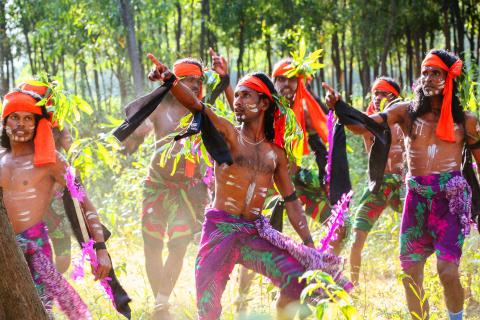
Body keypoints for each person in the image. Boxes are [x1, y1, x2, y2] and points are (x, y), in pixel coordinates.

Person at [146, 53, 352, 320]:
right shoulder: (228, 134)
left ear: (264, 103)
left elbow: (292, 203)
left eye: (246, 96)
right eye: (238, 96)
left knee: (301, 279)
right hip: (219, 231)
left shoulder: (275, 155)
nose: (238, 102)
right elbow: (197, 105)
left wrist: (310, 248)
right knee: (208, 311)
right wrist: (171, 81)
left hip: (254, 233)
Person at [324, 49, 479, 320]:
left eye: (436, 73)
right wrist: (340, 107)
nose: (428, 78)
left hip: (450, 201)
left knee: (447, 270)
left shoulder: (466, 121)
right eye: (425, 73)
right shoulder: (404, 112)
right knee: (409, 273)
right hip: (416, 200)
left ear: (449, 79)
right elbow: (366, 126)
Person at [122, 51, 233, 318]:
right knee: (152, 245)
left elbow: (232, 122)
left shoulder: (203, 110)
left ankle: (162, 301)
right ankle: (160, 303)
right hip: (157, 185)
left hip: (188, 189)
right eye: (187, 80)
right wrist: (132, 137)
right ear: (174, 81)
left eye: (197, 81)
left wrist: (225, 79)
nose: (194, 85)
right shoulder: (160, 107)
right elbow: (135, 136)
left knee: (179, 244)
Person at [0, 82, 111, 318]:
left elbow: (84, 203)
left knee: (38, 311)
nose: (21, 124)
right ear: (4, 121)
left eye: (29, 118)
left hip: (35, 248)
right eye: (14, 117)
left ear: (38, 123)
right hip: (3, 247)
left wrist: (100, 249)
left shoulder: (51, 161)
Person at [348, 77, 405, 285]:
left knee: (423, 235)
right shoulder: (368, 123)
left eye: (384, 93)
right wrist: (338, 106)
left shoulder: (406, 119)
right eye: (376, 93)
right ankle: (353, 286)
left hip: (403, 184)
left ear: (396, 97)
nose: (379, 97)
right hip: (378, 185)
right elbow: (350, 119)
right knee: (356, 237)